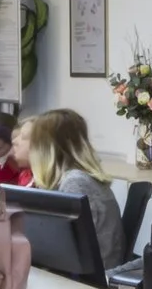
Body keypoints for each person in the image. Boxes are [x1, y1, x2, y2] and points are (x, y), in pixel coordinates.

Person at [16, 108, 126, 270]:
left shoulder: (75, 183)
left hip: (86, 283)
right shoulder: (73, 178)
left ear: (46, 147)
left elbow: (65, 250)